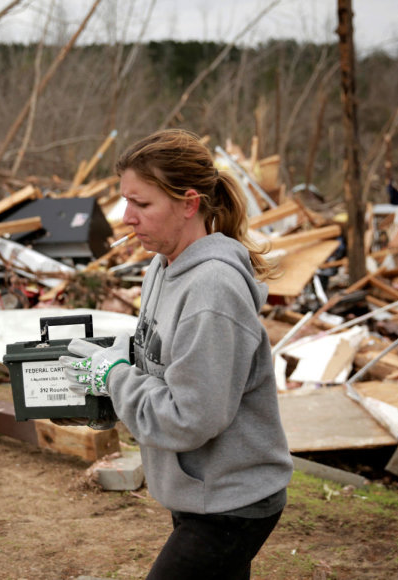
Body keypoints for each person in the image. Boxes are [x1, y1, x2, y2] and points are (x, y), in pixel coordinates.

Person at [60, 129, 293, 579]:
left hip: (233, 501)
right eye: (126, 201)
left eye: (142, 204)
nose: (127, 217)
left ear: (189, 203)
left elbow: (190, 417)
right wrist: (101, 386)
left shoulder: (213, 290)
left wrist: (114, 377)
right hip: (198, 490)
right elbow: (160, 366)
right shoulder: (161, 267)